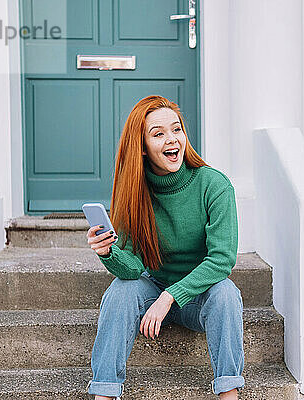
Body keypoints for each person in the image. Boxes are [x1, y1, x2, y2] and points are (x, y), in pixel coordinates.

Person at [85, 95, 244, 399]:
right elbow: (132, 268)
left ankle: (229, 394)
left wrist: (170, 297)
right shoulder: (134, 191)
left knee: (226, 293)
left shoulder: (214, 185)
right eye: (158, 134)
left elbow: (222, 260)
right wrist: (108, 252)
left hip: (198, 296)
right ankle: (104, 393)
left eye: (177, 130)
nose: (173, 140)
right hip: (152, 289)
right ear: (142, 147)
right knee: (120, 290)